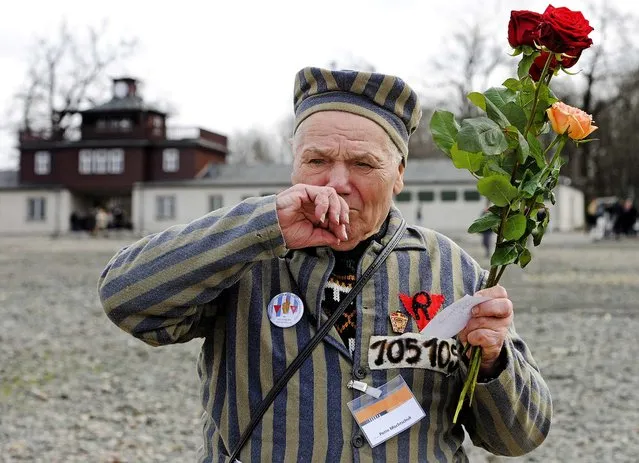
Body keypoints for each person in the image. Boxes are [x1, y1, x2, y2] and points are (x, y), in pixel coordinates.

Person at [98, 67, 552, 462]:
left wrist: (494, 361)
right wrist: (262, 226)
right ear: (294, 165)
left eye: (363, 163)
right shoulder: (241, 256)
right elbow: (126, 300)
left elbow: (518, 437)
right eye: (316, 160)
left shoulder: (451, 269)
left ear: (399, 175)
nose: (337, 183)